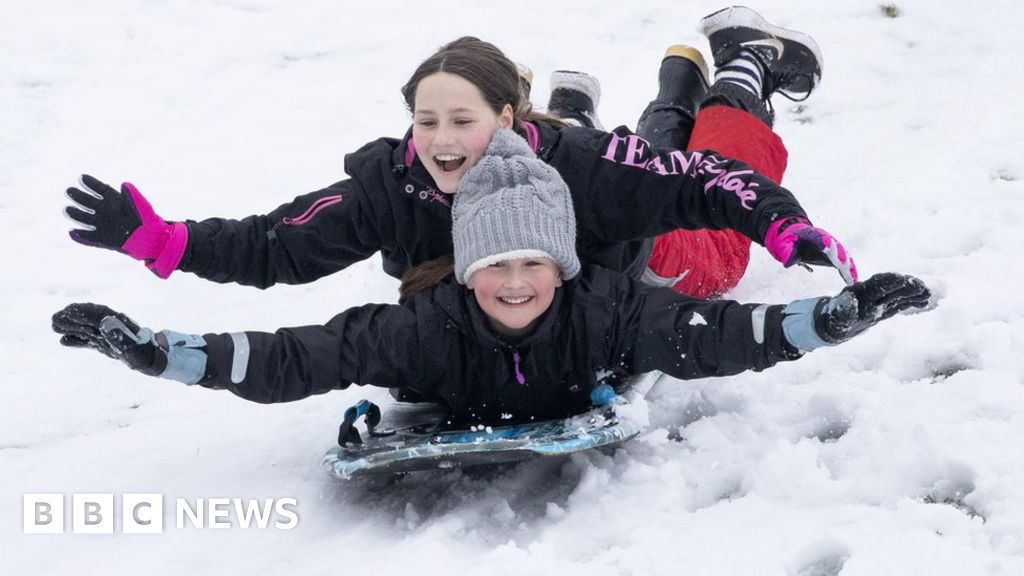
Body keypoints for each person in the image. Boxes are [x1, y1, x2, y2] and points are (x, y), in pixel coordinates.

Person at [53, 130, 928, 426]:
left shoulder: (611, 307)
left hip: (635, 226)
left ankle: (714, 75)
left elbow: (720, 336)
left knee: (697, 239)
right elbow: (297, 356)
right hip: (573, 199)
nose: (513, 284)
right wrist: (158, 353)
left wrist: (833, 316)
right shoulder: (423, 322)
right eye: (494, 267)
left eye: (530, 267)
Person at [62, 7, 855, 302]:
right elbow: (281, 245)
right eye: (425, 120)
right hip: (514, 277)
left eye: (461, 121)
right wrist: (166, 241)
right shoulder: (393, 183)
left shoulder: (575, 168)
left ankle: (741, 63)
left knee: (705, 252)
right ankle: (654, 85)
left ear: (508, 119)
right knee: (634, 163)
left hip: (625, 266)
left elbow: (706, 183)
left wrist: (781, 228)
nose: (440, 141)